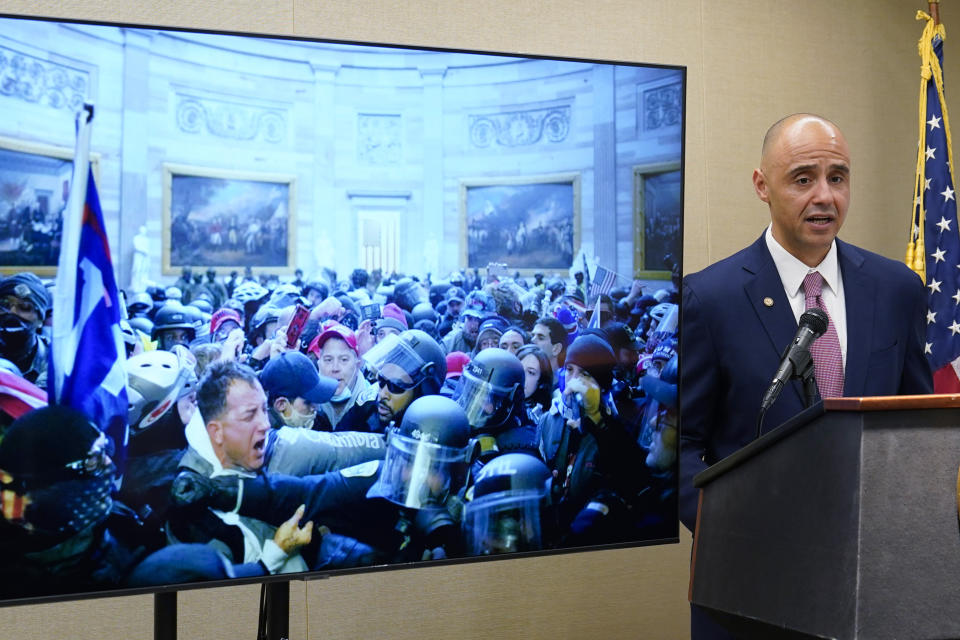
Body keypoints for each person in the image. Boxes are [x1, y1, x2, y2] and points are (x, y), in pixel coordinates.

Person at [680, 113, 933, 640]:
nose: (824, 196)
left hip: (873, 582)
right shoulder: (709, 298)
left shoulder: (897, 288)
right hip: (749, 585)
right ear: (761, 186)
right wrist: (731, 530)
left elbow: (918, 432)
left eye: (837, 177)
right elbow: (680, 447)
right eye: (803, 179)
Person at [0, 272, 50, 388]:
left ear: (40, 321)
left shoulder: (56, 364)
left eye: (25, 308)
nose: (12, 312)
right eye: (4, 304)